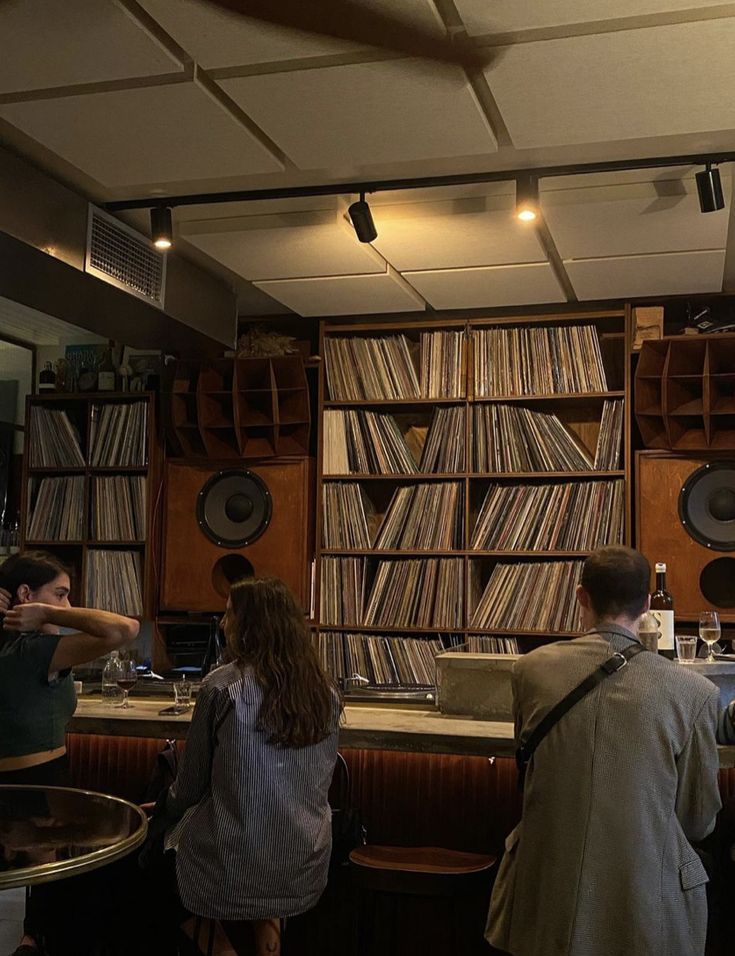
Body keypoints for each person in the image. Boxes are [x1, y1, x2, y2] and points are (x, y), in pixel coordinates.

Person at [486, 546, 721, 956]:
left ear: (581, 596)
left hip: (545, 898)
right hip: (646, 910)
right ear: (647, 605)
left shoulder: (529, 671)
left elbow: (529, 776)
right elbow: (698, 820)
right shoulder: (695, 693)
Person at [142, 576, 341, 956]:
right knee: (262, 856)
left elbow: (190, 787)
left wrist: (163, 811)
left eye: (229, 612)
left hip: (233, 862)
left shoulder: (223, 688)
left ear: (251, 624)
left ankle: (223, 952)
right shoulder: (325, 691)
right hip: (303, 857)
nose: (222, 623)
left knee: (150, 866)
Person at [0, 550, 139, 956]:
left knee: (47, 889)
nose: (68, 606)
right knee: (78, 876)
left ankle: (30, 938)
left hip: (18, 789)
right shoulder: (35, 652)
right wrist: (46, 613)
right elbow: (124, 630)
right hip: (41, 788)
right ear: (27, 595)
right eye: (61, 595)